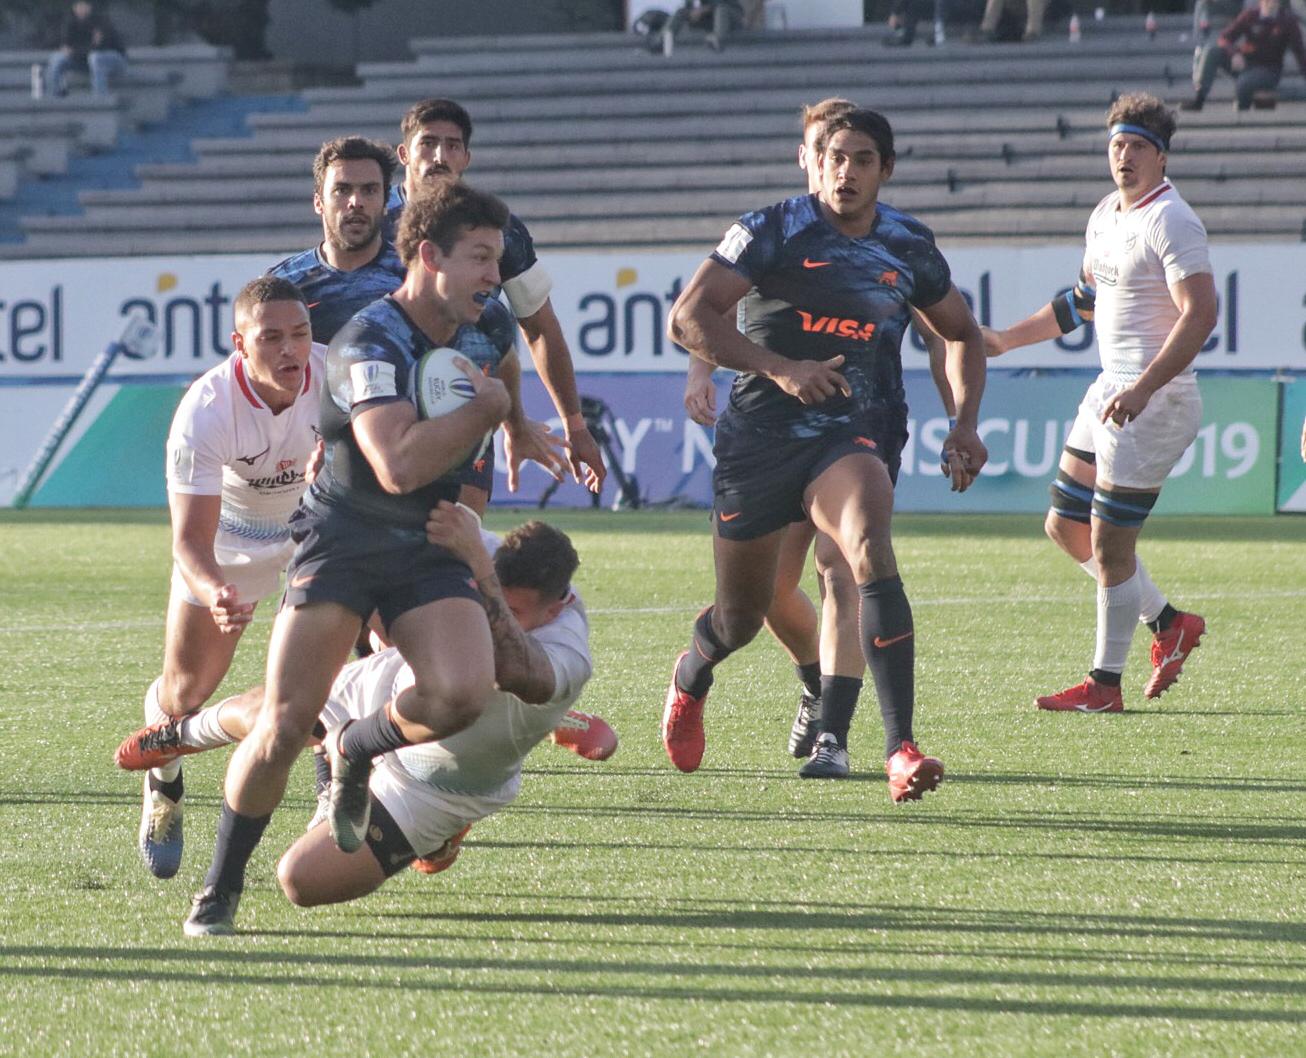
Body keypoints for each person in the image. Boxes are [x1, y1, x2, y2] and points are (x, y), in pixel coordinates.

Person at [181, 181, 514, 937]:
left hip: (426, 538)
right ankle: (219, 888)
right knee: (286, 723)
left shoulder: (478, 324)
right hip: (345, 540)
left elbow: (495, 388)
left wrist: (511, 416)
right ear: (430, 256)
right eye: (481, 258)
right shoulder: (369, 339)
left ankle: (358, 745)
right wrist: (488, 411)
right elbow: (394, 463)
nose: (494, 276)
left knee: (463, 696)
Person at [661, 107, 988, 803]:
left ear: (885, 169)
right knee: (741, 616)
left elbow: (959, 333)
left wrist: (964, 422)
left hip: (858, 428)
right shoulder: (770, 229)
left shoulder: (909, 245)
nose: (846, 171)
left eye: (862, 159)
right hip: (762, 436)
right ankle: (692, 672)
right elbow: (687, 317)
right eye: (834, 157)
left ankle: (882, 745)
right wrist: (780, 368)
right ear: (812, 162)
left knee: (858, 553)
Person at [118, 517, 600, 913]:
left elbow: (513, 666)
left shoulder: (569, 653)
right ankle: (181, 735)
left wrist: (477, 570)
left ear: (559, 608)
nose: (502, 620)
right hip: (392, 687)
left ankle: (376, 780)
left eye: (516, 611)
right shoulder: (483, 548)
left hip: (433, 785)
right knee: (279, 715)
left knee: (300, 881)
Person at [983, 93, 1216, 712]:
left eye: (1137, 145)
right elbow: (1082, 302)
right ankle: (1169, 622)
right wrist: (1005, 338)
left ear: (1160, 155)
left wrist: (1144, 387)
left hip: (1154, 399)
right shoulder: (1106, 215)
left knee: (1111, 545)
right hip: (1110, 388)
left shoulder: (1172, 220)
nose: (1124, 155)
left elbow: (1201, 314)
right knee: (1063, 527)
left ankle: (1103, 686)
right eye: (1117, 144)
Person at [137, 276, 320, 880]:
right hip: (228, 547)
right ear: (240, 343)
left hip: (313, 536)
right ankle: (164, 782)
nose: (291, 349)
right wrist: (216, 588)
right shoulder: (207, 409)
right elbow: (189, 541)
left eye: (300, 333)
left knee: (357, 657)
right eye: (272, 338)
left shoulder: (337, 376)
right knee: (184, 694)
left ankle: (346, 783)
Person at [385, 99, 605, 497]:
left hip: (464, 413)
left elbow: (539, 329)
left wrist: (574, 425)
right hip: (381, 411)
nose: (439, 156)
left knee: (461, 541)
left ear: (466, 158)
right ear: (404, 154)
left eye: (452, 146)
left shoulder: (500, 230)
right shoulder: (373, 222)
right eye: (427, 144)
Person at [1183, 0, 1306, 111]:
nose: (1271, 3)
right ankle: (1199, 99)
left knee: (1244, 83)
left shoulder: (1288, 21)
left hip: (1269, 70)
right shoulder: (1250, 15)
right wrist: (1234, 53)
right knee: (1212, 52)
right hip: (1246, 63)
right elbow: (1224, 38)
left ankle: (1242, 111)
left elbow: (1300, 53)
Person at [45, 0, 126, 97]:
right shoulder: (70, 23)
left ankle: (100, 97)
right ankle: (55, 95)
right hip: (83, 60)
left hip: (114, 59)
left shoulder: (101, 22)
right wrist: (74, 51)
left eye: (83, 6)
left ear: (89, 7)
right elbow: (65, 47)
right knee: (56, 58)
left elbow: (97, 47)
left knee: (95, 57)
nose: (80, 9)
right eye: (78, 6)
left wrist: (75, 51)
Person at [652, 0, 746, 52]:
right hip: (711, 20)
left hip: (731, 17)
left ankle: (718, 40)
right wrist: (691, 13)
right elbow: (688, 6)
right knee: (681, 12)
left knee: (721, 9)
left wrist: (703, 10)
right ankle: (662, 40)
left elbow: (722, 3)